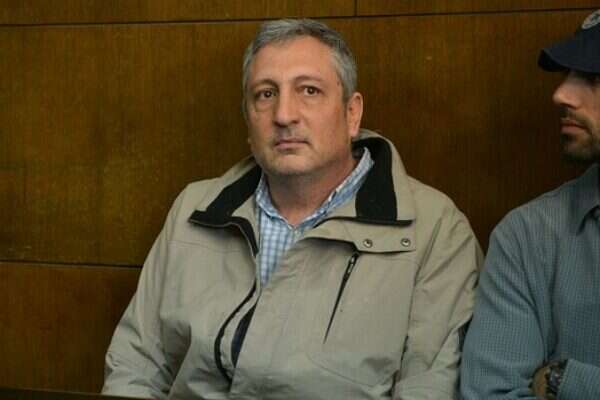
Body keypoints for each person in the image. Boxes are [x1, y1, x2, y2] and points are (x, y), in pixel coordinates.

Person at [102, 18, 480, 400]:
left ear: (352, 113)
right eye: (265, 94)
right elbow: (136, 368)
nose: (284, 115)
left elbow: (428, 389)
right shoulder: (193, 210)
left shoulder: (435, 230)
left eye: (309, 90)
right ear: (248, 119)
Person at [461, 9, 600, 400]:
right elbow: (491, 393)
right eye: (568, 75)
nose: (561, 94)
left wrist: (566, 380)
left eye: (594, 78)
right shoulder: (527, 236)